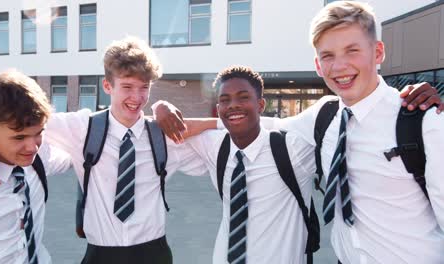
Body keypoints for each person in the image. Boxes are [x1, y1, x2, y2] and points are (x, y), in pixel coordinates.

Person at [0, 36, 211, 264]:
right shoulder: (81, 128)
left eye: (144, 88)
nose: (136, 97)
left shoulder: (164, 136)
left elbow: (218, 136)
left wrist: (164, 106)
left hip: (154, 252)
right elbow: (16, 120)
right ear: (107, 85)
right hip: (101, 254)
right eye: (127, 86)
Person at [303, 2, 444, 263]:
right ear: (318, 65)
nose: (339, 66)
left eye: (352, 50)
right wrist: (211, 122)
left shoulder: (424, 121)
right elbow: (265, 128)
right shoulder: (323, 117)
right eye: (328, 55)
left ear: (378, 52)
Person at [180, 65, 317, 263]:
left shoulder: (292, 148)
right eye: (225, 100)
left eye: (243, 97)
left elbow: (331, 111)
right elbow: (153, 128)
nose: (233, 105)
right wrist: (161, 107)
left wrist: (218, 122)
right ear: (218, 109)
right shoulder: (215, 146)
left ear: (261, 105)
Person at [0, 71, 71, 264]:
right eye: (19, 137)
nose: (32, 147)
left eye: (38, 133)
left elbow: (85, 147)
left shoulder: (41, 156)